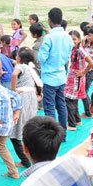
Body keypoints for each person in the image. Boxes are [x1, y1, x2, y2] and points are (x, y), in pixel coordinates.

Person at [38, 8, 74, 138]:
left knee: (49, 107)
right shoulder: (68, 37)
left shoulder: (49, 38)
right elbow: (68, 55)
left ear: (49, 20)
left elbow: (41, 58)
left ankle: (52, 135)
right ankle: (62, 134)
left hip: (49, 78)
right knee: (61, 105)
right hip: (61, 75)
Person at [11, 48, 40, 168]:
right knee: (28, 126)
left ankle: (25, 160)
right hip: (31, 98)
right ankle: (32, 157)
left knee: (16, 131)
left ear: (19, 58)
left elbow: (14, 74)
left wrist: (13, 90)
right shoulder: (30, 68)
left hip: (23, 98)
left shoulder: (20, 66)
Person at [64, 30, 93, 132]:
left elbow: (91, 63)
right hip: (74, 77)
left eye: (74, 39)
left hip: (76, 78)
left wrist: (83, 72)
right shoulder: (73, 49)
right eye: (70, 39)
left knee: (69, 100)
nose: (72, 41)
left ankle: (72, 124)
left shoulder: (79, 50)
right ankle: (77, 120)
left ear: (78, 39)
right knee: (74, 99)